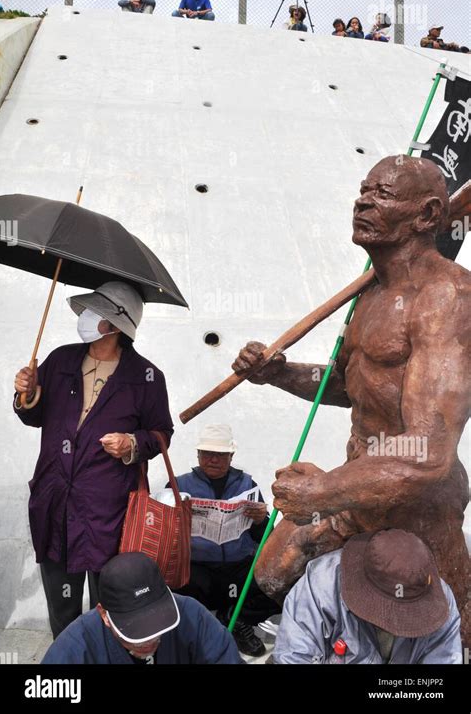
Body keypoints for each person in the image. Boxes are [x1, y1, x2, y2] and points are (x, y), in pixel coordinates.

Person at [232, 155, 471, 646]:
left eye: (382, 194)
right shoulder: (370, 295)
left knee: (442, 629)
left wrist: (323, 491)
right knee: (274, 574)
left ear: (427, 215)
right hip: (361, 485)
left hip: (418, 504)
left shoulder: (448, 295)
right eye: (364, 189)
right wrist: (280, 374)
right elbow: (343, 383)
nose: (363, 200)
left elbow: (428, 450)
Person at [14, 281, 174, 639]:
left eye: (93, 312)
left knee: (111, 605)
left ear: (115, 325)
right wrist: (25, 395)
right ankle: (69, 658)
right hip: (55, 503)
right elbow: (35, 415)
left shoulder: (147, 377)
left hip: (109, 512)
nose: (84, 317)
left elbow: (161, 434)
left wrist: (131, 442)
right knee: (62, 608)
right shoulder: (60, 361)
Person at [273, 530, 462, 664]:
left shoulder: (441, 601)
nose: (394, 626)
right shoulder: (321, 584)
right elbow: (294, 657)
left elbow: (444, 660)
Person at [172, 424, 277, 657]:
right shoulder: (179, 485)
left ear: (231, 456)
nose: (213, 460)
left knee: (281, 584)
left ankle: (236, 619)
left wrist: (261, 520)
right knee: (171, 586)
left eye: (220, 455)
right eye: (207, 454)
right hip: (198, 570)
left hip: (238, 568)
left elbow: (267, 538)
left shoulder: (247, 485)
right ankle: (196, 634)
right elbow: (164, 534)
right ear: (198, 455)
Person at [42, 553, 241, 664]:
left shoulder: (191, 615)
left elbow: (226, 657)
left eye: (157, 625)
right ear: (104, 614)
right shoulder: (76, 646)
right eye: (135, 630)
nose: (149, 640)